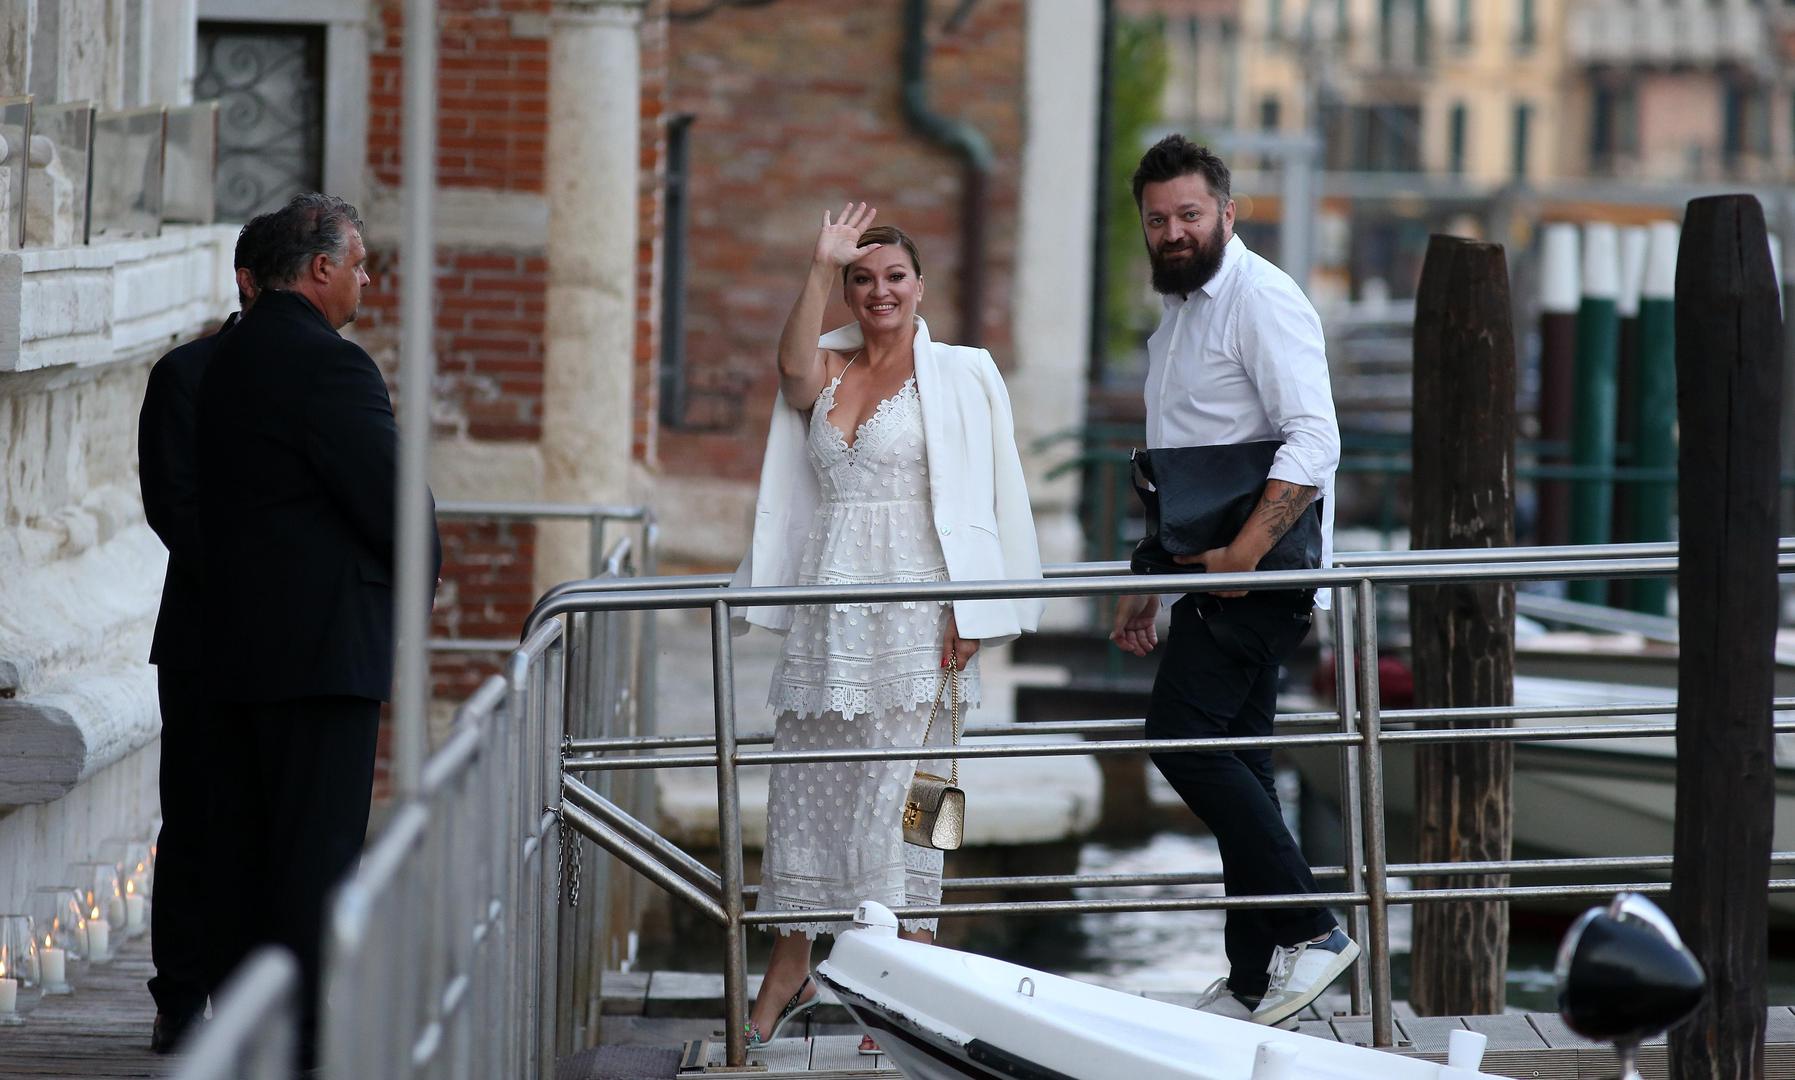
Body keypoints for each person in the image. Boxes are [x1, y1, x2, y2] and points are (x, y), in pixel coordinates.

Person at [732, 205, 1042, 1051]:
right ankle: (790, 967)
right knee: (804, 792)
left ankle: (908, 978)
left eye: (894, 277)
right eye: (861, 279)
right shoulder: (826, 367)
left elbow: (993, 494)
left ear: (918, 286)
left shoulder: (962, 373)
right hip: (828, 613)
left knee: (912, 799)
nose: (880, 292)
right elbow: (789, 370)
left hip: (922, 612)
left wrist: (975, 607)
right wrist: (816, 262)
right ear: (846, 291)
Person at [1109, 137, 1356, 1028]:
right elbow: (1179, 463)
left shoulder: (1261, 298)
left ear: (1227, 212)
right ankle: (1252, 977)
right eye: (1157, 219)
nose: (1173, 231)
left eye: (1189, 214)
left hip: (1258, 579)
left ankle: (1314, 931)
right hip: (1213, 575)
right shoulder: (1178, 315)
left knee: (1181, 739)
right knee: (1240, 762)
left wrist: (1244, 556)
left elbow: (1314, 439)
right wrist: (1150, 576)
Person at [195, 192, 440, 1065]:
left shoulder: (221, 358)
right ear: (322, 267)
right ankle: (306, 1045)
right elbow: (390, 501)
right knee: (316, 858)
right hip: (323, 655)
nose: (368, 281)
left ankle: (244, 1034)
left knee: (242, 852)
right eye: (361, 265)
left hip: (236, 647)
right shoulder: (330, 365)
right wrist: (409, 602)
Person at [138, 211, 277, 1053]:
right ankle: (181, 996)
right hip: (203, 632)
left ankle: (256, 994)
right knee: (194, 817)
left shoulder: (327, 374)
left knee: (272, 822)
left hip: (290, 639)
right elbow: (172, 505)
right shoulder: (184, 374)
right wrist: (261, 581)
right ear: (249, 284)